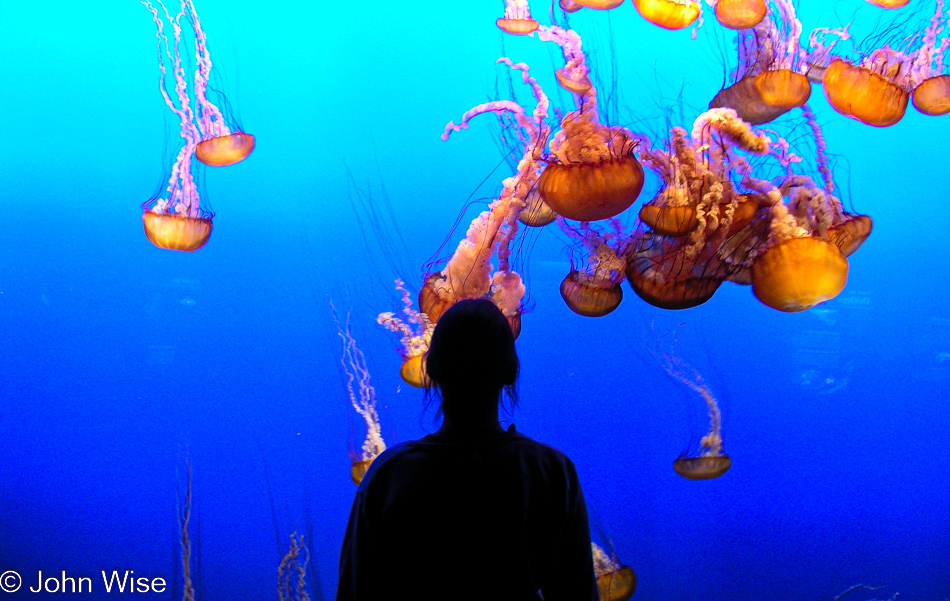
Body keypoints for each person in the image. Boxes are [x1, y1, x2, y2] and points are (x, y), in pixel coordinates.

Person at [336, 298, 598, 601]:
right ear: (511, 370)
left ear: (431, 367)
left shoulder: (389, 475)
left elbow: (355, 592)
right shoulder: (551, 472)